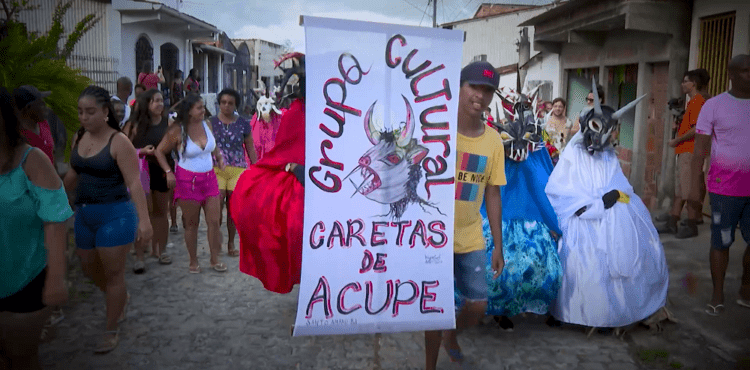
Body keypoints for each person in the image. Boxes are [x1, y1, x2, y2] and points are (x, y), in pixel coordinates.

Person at [545, 79, 669, 331]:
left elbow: (619, 182)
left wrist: (614, 196)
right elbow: (560, 186)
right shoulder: (573, 152)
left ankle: (622, 309)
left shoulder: (608, 155)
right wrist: (589, 205)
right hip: (581, 215)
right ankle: (572, 311)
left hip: (612, 213)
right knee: (579, 261)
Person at [457, 90, 562, 332]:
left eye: (525, 106)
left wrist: (551, 218)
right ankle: (493, 310)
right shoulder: (491, 139)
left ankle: (511, 308)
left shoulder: (535, 143)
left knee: (530, 266)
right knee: (488, 265)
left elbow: (541, 178)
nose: (521, 111)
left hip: (527, 213)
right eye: (517, 106)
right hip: (496, 211)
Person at [425, 61, 506, 370]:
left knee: (478, 305)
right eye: (474, 87)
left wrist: (498, 246)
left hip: (470, 234)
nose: (480, 97)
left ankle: (452, 334)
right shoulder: (437, 132)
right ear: (458, 88)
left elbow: (493, 193)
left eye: (488, 91)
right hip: (433, 236)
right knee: (434, 307)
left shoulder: (493, 141)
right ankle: (429, 365)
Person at [64, 85, 152, 353]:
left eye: (90, 112)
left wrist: (144, 221)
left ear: (105, 112)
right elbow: (72, 174)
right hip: (84, 213)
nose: (84, 117)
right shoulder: (79, 137)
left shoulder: (119, 142)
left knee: (114, 273)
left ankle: (111, 329)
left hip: (115, 214)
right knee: (88, 267)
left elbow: (134, 183)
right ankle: (120, 297)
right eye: (80, 112)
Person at [0, 87, 72, 370]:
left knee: (21, 357)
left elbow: (55, 219)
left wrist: (56, 278)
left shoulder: (31, 161)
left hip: (23, 280)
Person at [230, 52, 306, 294]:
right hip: (301, 175)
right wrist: (294, 167)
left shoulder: (338, 113)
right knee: (291, 223)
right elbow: (287, 149)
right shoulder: (296, 112)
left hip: (333, 175)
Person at [689, 54, 750, 316]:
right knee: (721, 241)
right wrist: (694, 188)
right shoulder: (713, 106)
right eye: (747, 71)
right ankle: (717, 292)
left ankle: (746, 287)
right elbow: (700, 150)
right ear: (732, 74)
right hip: (724, 188)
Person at [154, 93, 227, 274]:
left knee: (214, 221)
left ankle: (214, 259)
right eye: (199, 108)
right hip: (188, 181)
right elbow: (159, 152)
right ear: (189, 111)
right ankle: (193, 261)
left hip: (209, 179)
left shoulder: (207, 124)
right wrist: (168, 172)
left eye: (203, 107)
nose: (204, 110)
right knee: (191, 224)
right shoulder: (177, 131)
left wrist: (218, 157)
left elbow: (214, 145)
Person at [123, 89, 174, 272]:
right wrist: (141, 152)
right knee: (141, 215)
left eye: (161, 100)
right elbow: (122, 149)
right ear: (146, 104)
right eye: (155, 101)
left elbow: (177, 144)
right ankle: (139, 256)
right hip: (139, 174)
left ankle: (161, 250)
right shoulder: (133, 125)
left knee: (161, 213)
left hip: (161, 171)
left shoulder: (168, 123)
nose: (160, 104)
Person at [657, 69, 710, 237]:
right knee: (681, 189)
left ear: (693, 83)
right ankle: (673, 221)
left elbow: (697, 128)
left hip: (690, 150)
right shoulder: (692, 102)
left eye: (685, 81)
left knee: (689, 190)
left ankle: (693, 224)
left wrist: (677, 140)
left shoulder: (698, 102)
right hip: (686, 150)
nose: (682, 84)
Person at [210, 88, 257, 257]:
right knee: (216, 207)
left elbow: (250, 147)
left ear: (235, 104)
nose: (226, 106)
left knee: (233, 209)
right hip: (216, 169)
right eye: (223, 102)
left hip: (238, 169)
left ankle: (231, 243)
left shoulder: (243, 123)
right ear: (219, 103)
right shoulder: (210, 122)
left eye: (230, 103)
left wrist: (257, 168)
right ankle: (217, 241)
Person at [13, 85, 55, 164]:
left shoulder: (43, 124)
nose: (45, 106)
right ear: (28, 108)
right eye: (40, 103)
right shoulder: (18, 136)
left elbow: (52, 154)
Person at [543, 97, 573, 163]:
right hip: (548, 155)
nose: (557, 109)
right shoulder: (546, 121)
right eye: (555, 106)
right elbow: (543, 139)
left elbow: (567, 140)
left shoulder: (568, 122)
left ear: (564, 108)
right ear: (552, 107)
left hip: (563, 156)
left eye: (560, 106)